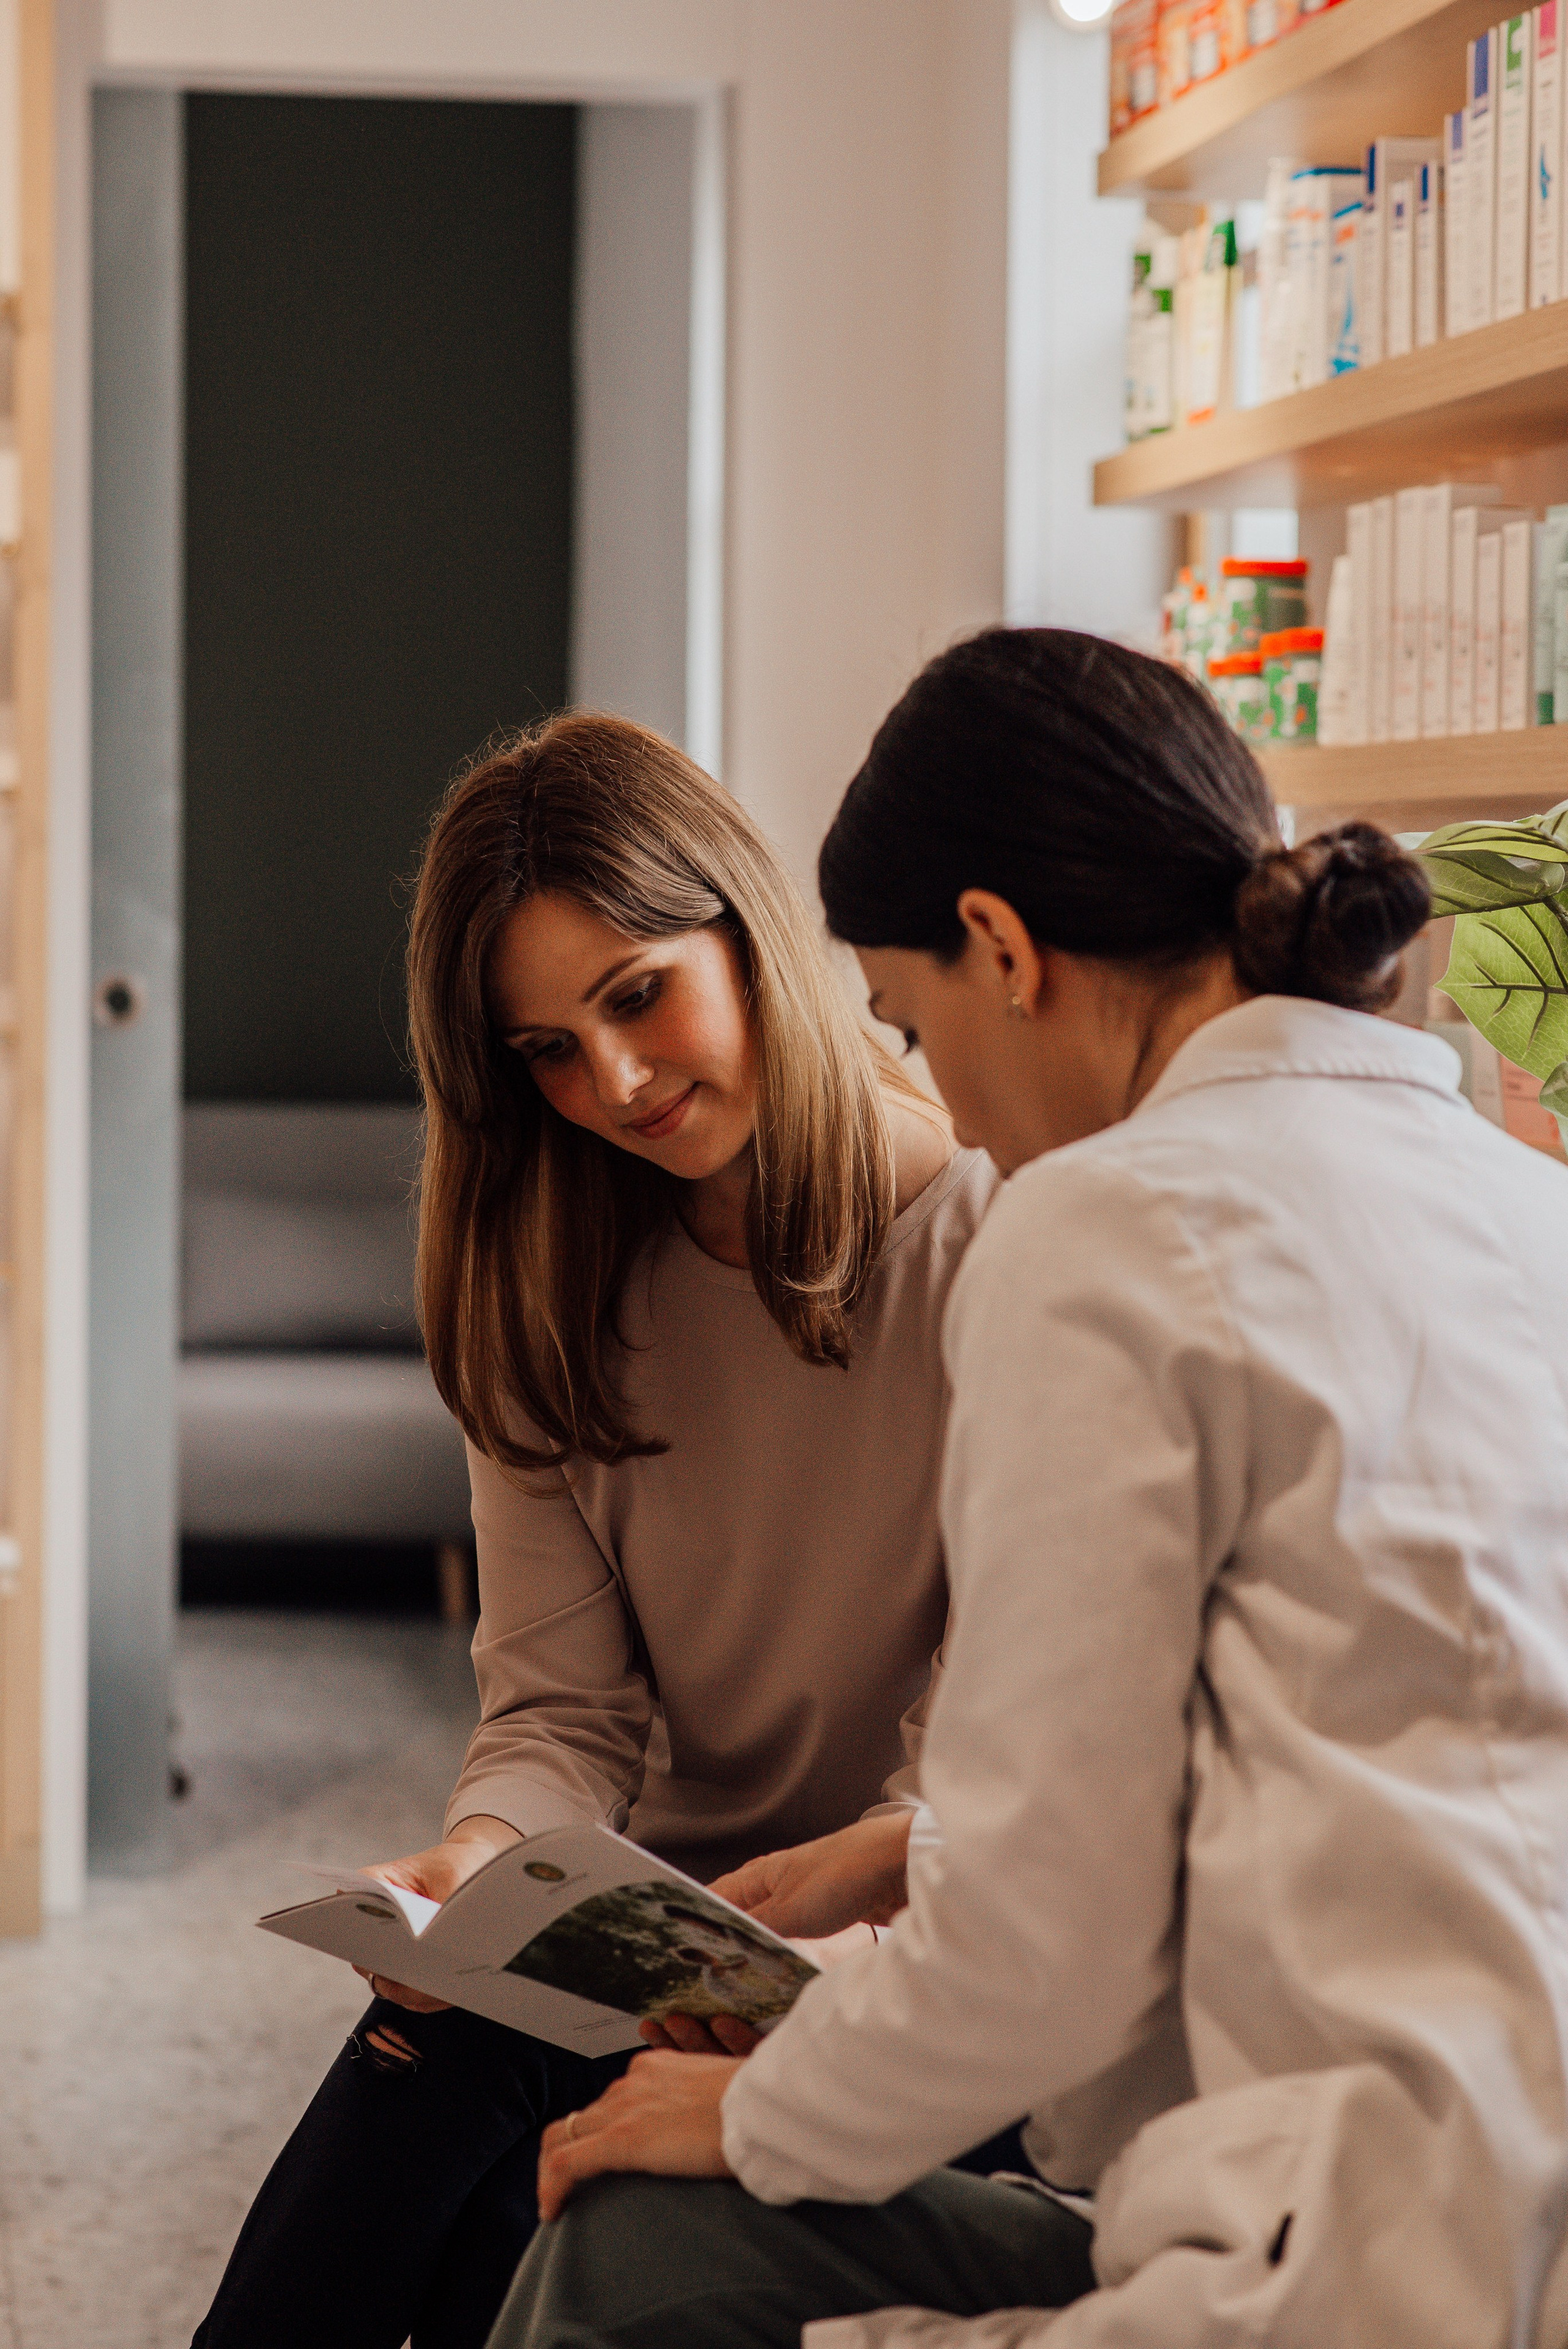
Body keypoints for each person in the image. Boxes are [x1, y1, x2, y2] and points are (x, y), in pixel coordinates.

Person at [492, 629, 1568, 2349]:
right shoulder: (1524, 1204)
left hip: (1350, 2265)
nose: (958, 1114)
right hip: (1501, 2222)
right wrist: (909, 1852)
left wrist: (757, 2111)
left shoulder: (1103, 1231)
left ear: (1002, 949)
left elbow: (1039, 1951)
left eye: (913, 1022)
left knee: (631, 2249)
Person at [191, 713, 1000, 2349]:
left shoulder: (996, 1239)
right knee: (443, 2056)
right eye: (547, 1049)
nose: (613, 1083)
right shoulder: (544, 1266)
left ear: (748, 931)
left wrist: (816, 1947)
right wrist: (473, 1868)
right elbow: (560, 1711)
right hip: (636, 1921)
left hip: (904, 1946)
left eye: (638, 994)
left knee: (482, 2166)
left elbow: (989, 1758)